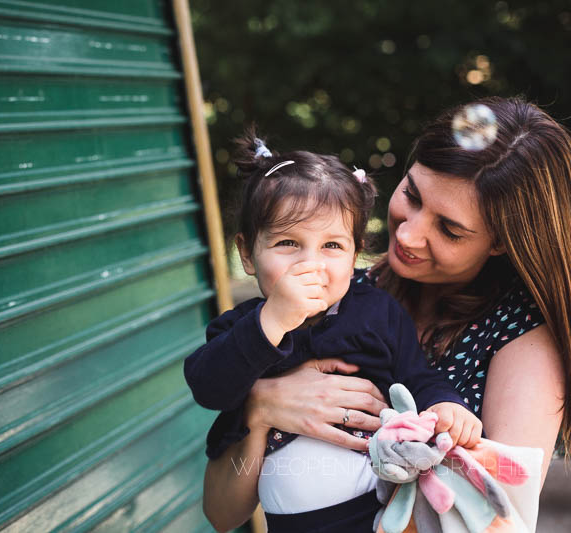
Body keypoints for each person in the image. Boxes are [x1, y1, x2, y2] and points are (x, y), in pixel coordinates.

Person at [200, 96, 571, 532]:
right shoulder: (341, 295)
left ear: (501, 243)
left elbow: (499, 521)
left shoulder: (520, 336)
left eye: (449, 229)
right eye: (411, 195)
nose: (409, 235)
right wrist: (261, 409)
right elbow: (222, 511)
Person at [184, 130, 482, 531]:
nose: (312, 265)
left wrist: (447, 405)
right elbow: (209, 387)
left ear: (356, 253)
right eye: (289, 242)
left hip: (373, 510)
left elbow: (417, 375)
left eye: (332, 246)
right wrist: (272, 321)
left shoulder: (377, 312)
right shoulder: (241, 328)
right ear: (247, 253)